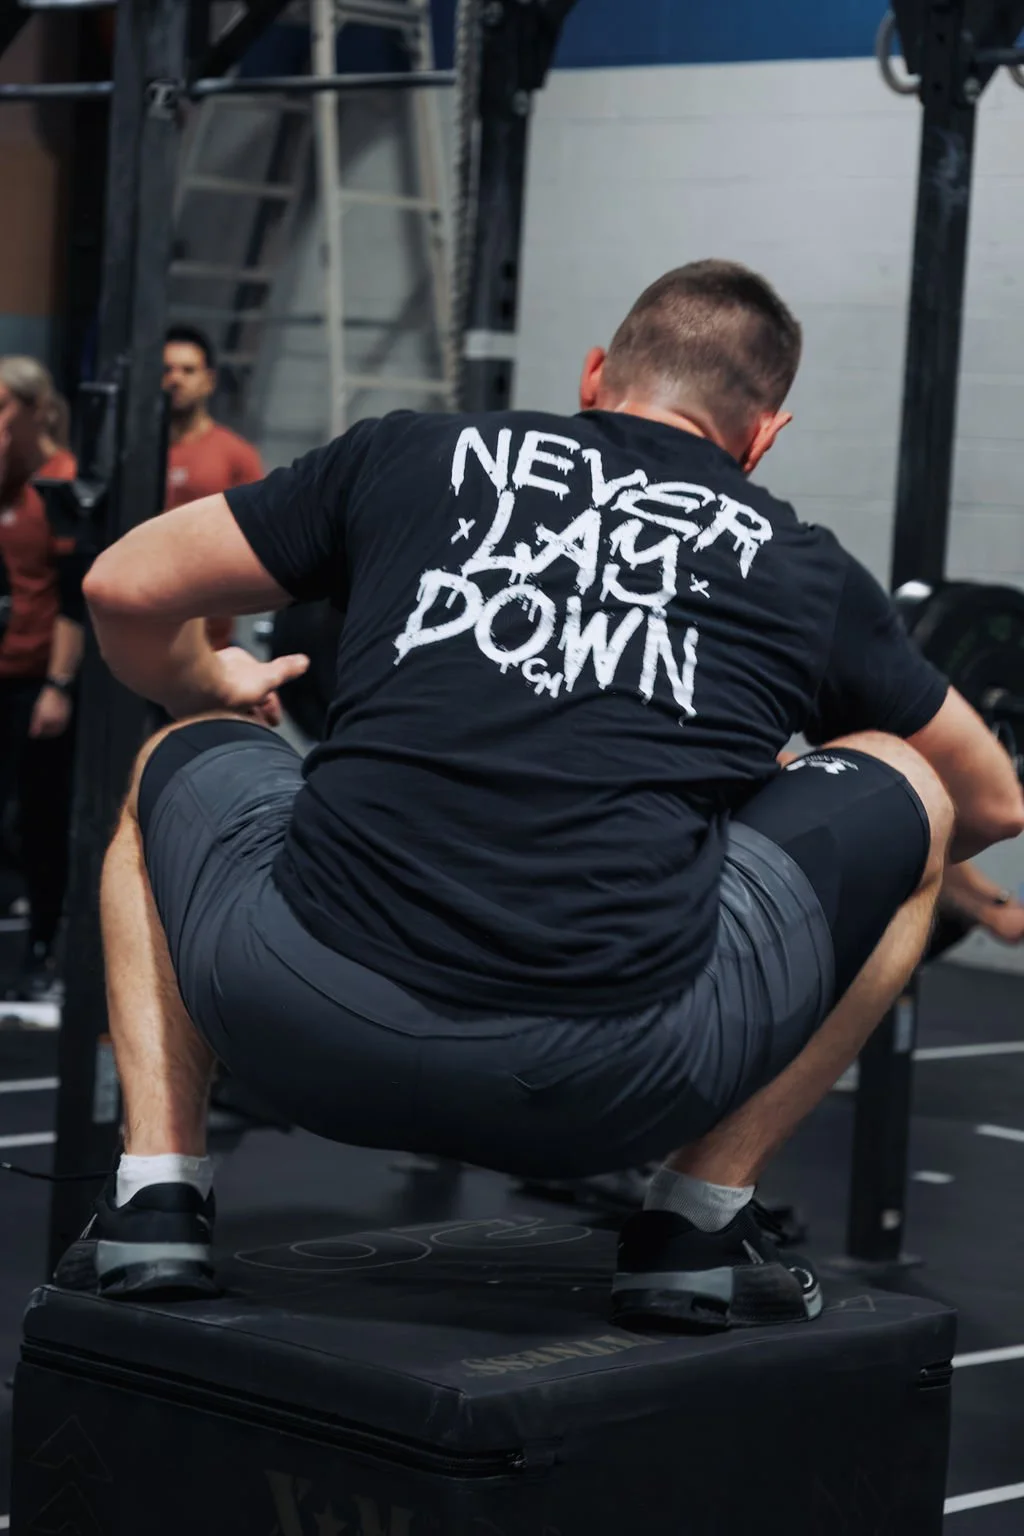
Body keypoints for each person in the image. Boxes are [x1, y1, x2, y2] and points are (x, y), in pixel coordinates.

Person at [58, 261, 1024, 1331]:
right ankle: (694, 1224)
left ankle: (155, 1201)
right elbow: (988, 798)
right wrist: (757, 814)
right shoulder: (803, 567)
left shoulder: (413, 452)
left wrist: (213, 682)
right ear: (764, 436)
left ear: (595, 373)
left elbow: (120, 585)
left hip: (294, 1020)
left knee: (171, 761)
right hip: (612, 1088)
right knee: (911, 791)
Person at [0, 357, 82, 1000]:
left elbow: (73, 598)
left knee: (42, 821)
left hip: (39, 680)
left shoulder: (62, 483)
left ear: (33, 409)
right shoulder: (6, 482)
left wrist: (57, 685)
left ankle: (42, 953)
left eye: (2, 406)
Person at [162, 326, 263, 652]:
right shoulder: (134, 454)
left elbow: (254, 544)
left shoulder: (236, 455)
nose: (175, 379)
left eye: (188, 370)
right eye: (167, 370)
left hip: (210, 640)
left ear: (209, 380)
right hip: (142, 630)